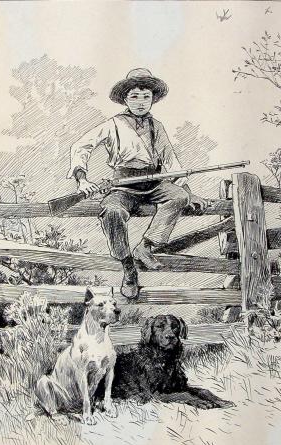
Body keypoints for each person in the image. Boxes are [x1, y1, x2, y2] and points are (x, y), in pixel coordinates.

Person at [67, 68, 206, 299]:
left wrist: (189, 193)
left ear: (152, 99)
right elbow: (80, 146)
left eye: (146, 97)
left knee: (179, 197)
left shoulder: (156, 126)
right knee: (111, 211)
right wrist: (82, 179)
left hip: (154, 183)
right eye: (134, 96)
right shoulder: (113, 124)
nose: (141, 102)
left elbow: (171, 161)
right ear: (125, 99)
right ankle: (128, 266)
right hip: (123, 186)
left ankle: (146, 246)